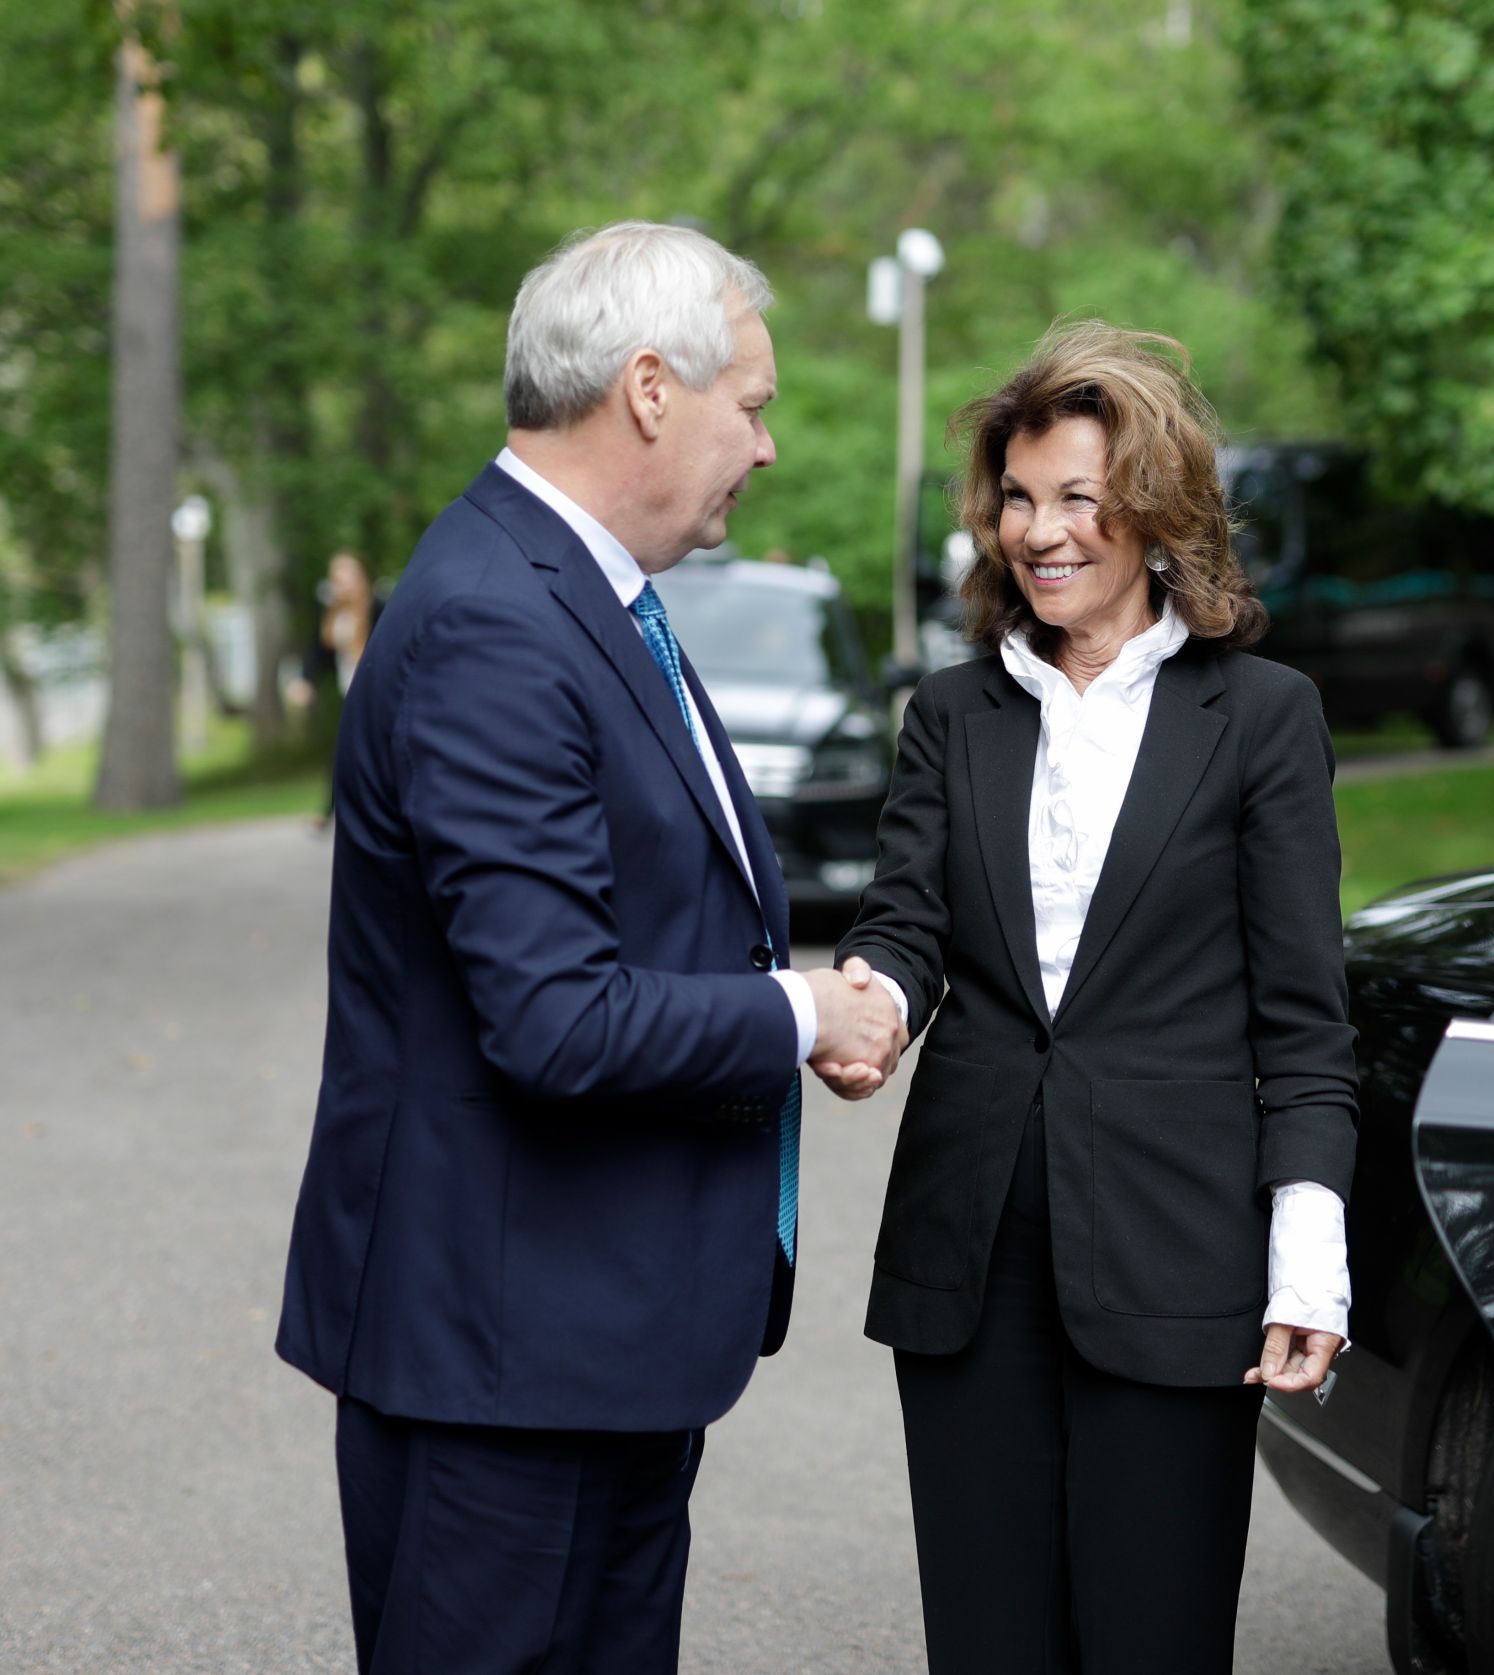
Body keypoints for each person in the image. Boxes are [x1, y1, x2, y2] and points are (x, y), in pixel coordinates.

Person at [275, 221, 904, 1675]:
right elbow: (555, 1017)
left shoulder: (579, 592)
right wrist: (800, 1011)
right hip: (503, 1361)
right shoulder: (494, 621)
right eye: (752, 404)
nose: (765, 446)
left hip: (591, 1341)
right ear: (649, 390)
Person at [835, 322, 1358, 1673]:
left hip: (1178, 1250)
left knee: (1151, 1638)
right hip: (970, 1250)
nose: (1040, 530)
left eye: (1078, 495)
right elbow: (906, 924)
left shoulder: (1261, 716)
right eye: (1018, 497)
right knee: (989, 1643)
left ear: (1156, 505)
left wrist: (1308, 1256)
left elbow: (1304, 1022)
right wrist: (870, 1002)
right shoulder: (951, 712)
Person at [286, 550, 383, 827]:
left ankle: (340, 811)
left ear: (361, 577)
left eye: (348, 575)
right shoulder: (334, 613)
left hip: (374, 692)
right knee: (345, 749)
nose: (342, 583)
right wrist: (306, 680)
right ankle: (333, 810)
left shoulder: (377, 607)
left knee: (366, 750)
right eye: (337, 577)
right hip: (349, 691)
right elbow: (318, 651)